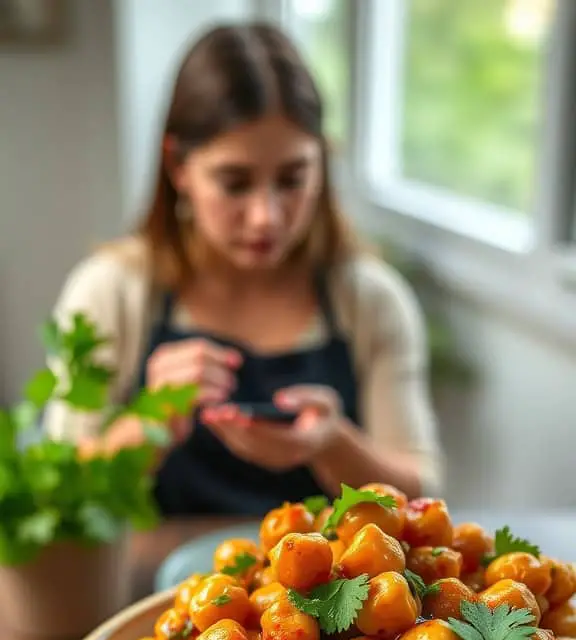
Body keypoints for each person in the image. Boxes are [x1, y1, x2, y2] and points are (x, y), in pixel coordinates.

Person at [45, 22, 443, 516]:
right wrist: (148, 423)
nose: (266, 217)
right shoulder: (111, 292)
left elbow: (422, 497)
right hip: (163, 590)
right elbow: (55, 495)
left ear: (323, 162)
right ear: (178, 167)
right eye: (235, 183)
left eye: (293, 179)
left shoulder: (370, 299)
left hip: (327, 590)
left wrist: (332, 443)